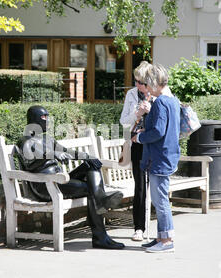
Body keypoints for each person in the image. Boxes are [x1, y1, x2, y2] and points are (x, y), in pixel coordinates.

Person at [17, 105, 125, 250]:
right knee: (92, 190)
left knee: (91, 166)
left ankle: (100, 199)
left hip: (61, 180)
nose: (48, 120)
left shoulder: (48, 139)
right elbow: (30, 161)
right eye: (44, 117)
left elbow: (68, 152)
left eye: (48, 117)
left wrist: (87, 157)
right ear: (34, 120)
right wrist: (52, 154)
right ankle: (100, 235)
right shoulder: (25, 140)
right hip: (46, 185)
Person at [131, 63, 180, 253]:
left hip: (159, 157)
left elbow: (158, 131)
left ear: (155, 83)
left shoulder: (160, 102)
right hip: (167, 155)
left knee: (160, 201)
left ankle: (166, 240)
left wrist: (141, 136)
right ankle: (161, 237)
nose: (147, 88)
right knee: (160, 199)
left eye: (148, 84)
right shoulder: (172, 100)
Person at [120, 61, 153, 242]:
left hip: (154, 145)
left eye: (141, 82)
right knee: (140, 186)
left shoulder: (158, 94)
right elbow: (124, 122)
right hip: (137, 144)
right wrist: (137, 114)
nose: (137, 85)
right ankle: (139, 227)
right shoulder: (131, 95)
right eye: (136, 81)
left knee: (155, 185)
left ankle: (162, 231)